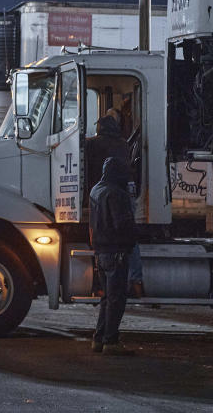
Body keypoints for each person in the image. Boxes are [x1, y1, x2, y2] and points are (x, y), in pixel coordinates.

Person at [86, 108, 144, 298]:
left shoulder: (92, 144)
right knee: (128, 238)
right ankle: (136, 281)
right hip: (125, 193)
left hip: (103, 195)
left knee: (101, 240)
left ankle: (101, 284)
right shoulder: (123, 144)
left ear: (100, 128)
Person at [89, 156, 137, 356]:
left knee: (107, 299)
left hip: (101, 252)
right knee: (116, 299)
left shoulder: (96, 190)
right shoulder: (117, 194)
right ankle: (111, 342)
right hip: (116, 252)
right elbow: (122, 224)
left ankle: (98, 339)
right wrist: (134, 238)